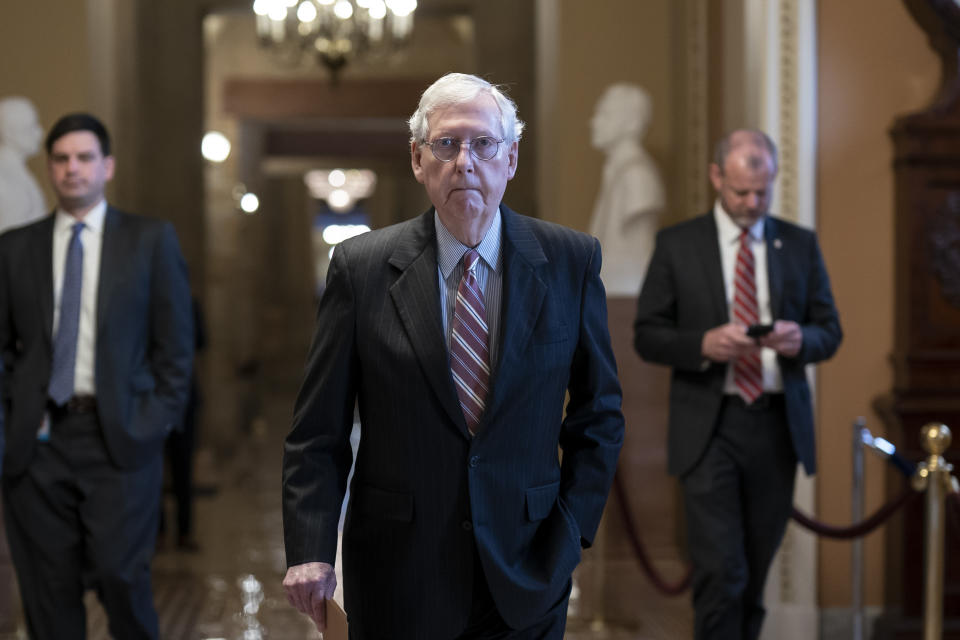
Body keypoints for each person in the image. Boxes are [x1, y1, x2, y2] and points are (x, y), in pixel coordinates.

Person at [282, 72, 624, 639]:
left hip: (529, 564)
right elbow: (319, 429)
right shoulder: (361, 267)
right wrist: (311, 549)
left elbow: (599, 415)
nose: (465, 161)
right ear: (418, 160)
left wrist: (571, 531)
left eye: (483, 144)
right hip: (398, 572)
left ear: (510, 158)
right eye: (445, 144)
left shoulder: (570, 261)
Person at [633, 129, 842, 639]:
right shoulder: (678, 245)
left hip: (775, 426)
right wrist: (703, 344)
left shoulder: (798, 243)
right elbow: (647, 336)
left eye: (761, 192)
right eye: (740, 192)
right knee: (720, 572)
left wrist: (800, 340)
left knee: (752, 574)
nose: (751, 203)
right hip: (711, 426)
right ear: (716, 177)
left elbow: (829, 332)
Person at [0, 113, 194, 639]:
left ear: (106, 166)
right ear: (49, 168)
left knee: (121, 581)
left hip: (121, 439)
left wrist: (154, 421)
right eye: (61, 159)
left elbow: (175, 347)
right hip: (36, 447)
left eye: (84, 158)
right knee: (48, 595)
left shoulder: (149, 240)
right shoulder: (16, 248)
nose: (72, 169)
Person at [588, 83, 664, 296]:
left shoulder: (637, 177)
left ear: (631, 123)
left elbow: (639, 256)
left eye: (605, 115)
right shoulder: (619, 172)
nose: (594, 122)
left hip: (626, 293)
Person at [0, 97, 46, 231]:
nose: (40, 133)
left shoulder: (18, 172)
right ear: (10, 133)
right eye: (32, 127)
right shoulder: (5, 177)